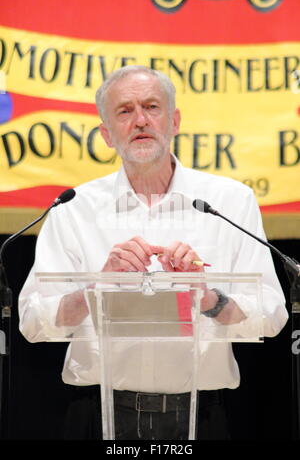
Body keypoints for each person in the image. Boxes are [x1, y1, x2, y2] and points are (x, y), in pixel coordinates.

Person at [18, 65, 288, 440]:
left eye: (152, 107)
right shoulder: (73, 208)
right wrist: (98, 286)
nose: (140, 120)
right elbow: (32, 322)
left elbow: (271, 316)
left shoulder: (229, 202)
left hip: (201, 417)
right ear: (107, 134)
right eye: (125, 111)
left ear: (174, 120)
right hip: (97, 416)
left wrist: (206, 295)